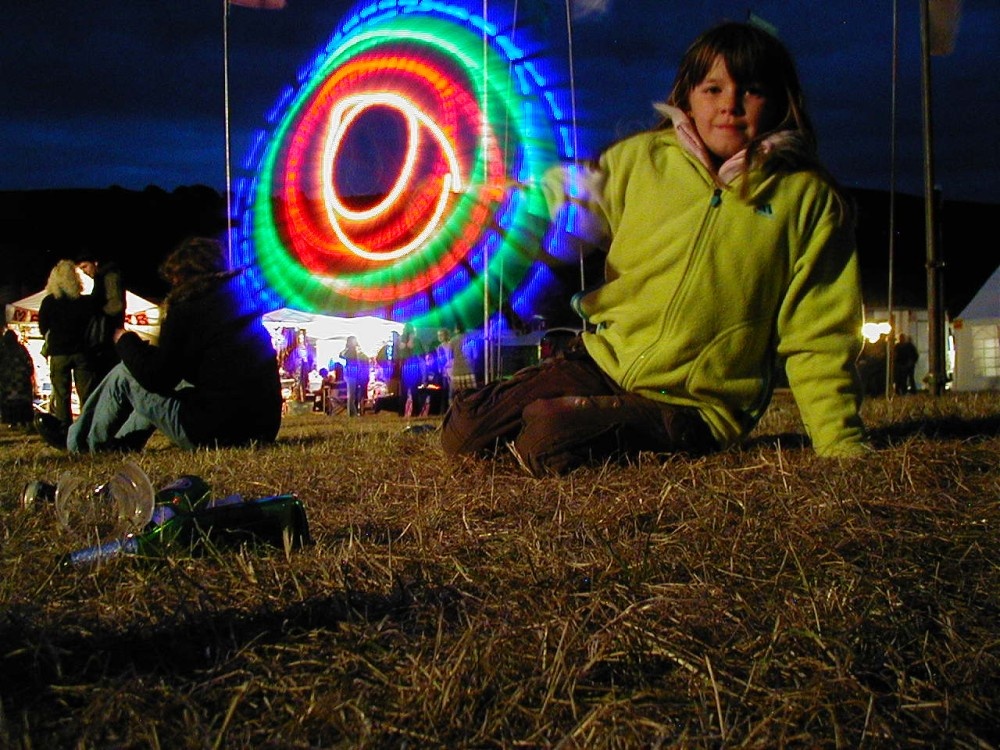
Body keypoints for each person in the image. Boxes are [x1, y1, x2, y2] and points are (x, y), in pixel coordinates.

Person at [441, 22, 866, 475]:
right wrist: (515, 206)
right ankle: (565, 410)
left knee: (547, 438)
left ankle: (563, 416)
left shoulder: (807, 199)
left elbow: (819, 333)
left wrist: (839, 441)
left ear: (780, 100)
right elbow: (569, 217)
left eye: (752, 90)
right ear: (687, 96)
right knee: (464, 430)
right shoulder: (640, 159)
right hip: (604, 364)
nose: (730, 104)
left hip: (694, 405)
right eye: (713, 89)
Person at [60, 237, 283, 453]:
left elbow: (157, 377)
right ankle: (123, 443)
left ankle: (80, 444)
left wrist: (125, 340)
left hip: (215, 433)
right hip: (261, 429)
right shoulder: (242, 307)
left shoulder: (186, 308)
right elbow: (187, 368)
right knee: (175, 383)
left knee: (125, 373)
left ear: (183, 275)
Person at [37, 259, 96, 433]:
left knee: (61, 394)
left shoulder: (49, 301)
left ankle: (64, 429)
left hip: (58, 353)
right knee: (86, 393)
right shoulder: (83, 302)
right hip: (81, 352)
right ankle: (86, 428)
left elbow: (43, 327)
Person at [76, 251, 126, 384]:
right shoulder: (103, 277)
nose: (84, 271)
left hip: (107, 335)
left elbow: (115, 304)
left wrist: (98, 314)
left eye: (85, 266)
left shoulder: (109, 277)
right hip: (106, 335)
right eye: (81, 268)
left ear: (95, 263)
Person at [0, 328, 36, 428]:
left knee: (10, 403)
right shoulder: (21, 349)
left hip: (7, 382)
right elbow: (29, 363)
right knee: (23, 402)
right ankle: (24, 421)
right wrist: (29, 374)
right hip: (22, 381)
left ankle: (12, 422)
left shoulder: (3, 350)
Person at [394, 322, 427, 417]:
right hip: (414, 367)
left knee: (403, 392)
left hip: (403, 367)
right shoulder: (416, 340)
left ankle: (401, 413)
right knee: (414, 391)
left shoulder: (399, 340)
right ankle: (415, 412)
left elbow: (395, 356)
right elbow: (422, 355)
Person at [340, 335, 370, 417]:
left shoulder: (351, 351)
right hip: (351, 374)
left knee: (353, 395)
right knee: (352, 395)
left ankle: (353, 412)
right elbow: (342, 355)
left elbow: (341, 355)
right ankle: (353, 413)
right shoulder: (351, 351)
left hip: (353, 374)